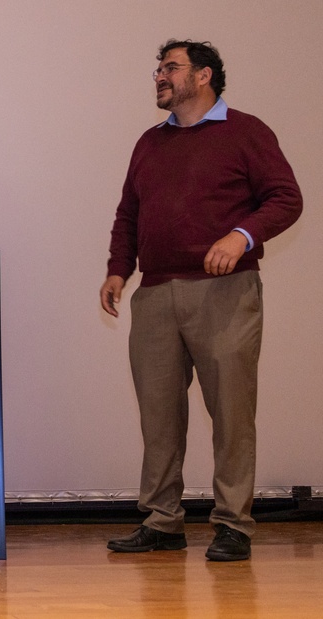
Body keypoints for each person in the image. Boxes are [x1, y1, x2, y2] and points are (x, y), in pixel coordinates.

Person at [101, 40, 303, 561]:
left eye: (171, 67)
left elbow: (286, 197)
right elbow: (129, 213)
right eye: (159, 68)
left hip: (226, 294)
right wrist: (118, 270)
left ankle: (233, 523)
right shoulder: (149, 143)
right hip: (156, 293)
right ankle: (163, 521)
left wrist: (242, 235)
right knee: (158, 415)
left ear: (204, 75)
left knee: (232, 412)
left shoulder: (246, 131)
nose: (160, 76)